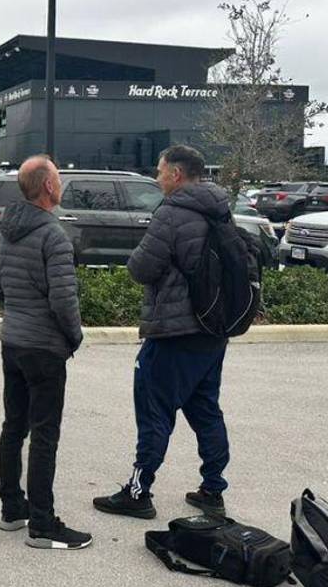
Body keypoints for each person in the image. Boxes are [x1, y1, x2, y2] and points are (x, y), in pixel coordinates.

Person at [92, 144, 233, 520]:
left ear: (175, 174)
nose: (156, 178)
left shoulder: (172, 214)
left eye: (159, 171)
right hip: (212, 329)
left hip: (173, 330)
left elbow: (141, 268)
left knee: (154, 411)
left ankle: (139, 493)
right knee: (206, 409)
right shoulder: (220, 209)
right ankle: (212, 489)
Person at [0, 154, 90, 551]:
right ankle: (43, 524)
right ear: (48, 187)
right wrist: (74, 336)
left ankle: (12, 508)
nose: (61, 183)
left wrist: (17, 313)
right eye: (59, 177)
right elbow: (64, 301)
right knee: (45, 434)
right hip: (44, 348)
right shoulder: (53, 235)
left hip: (12, 341)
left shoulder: (6, 231)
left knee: (14, 426)